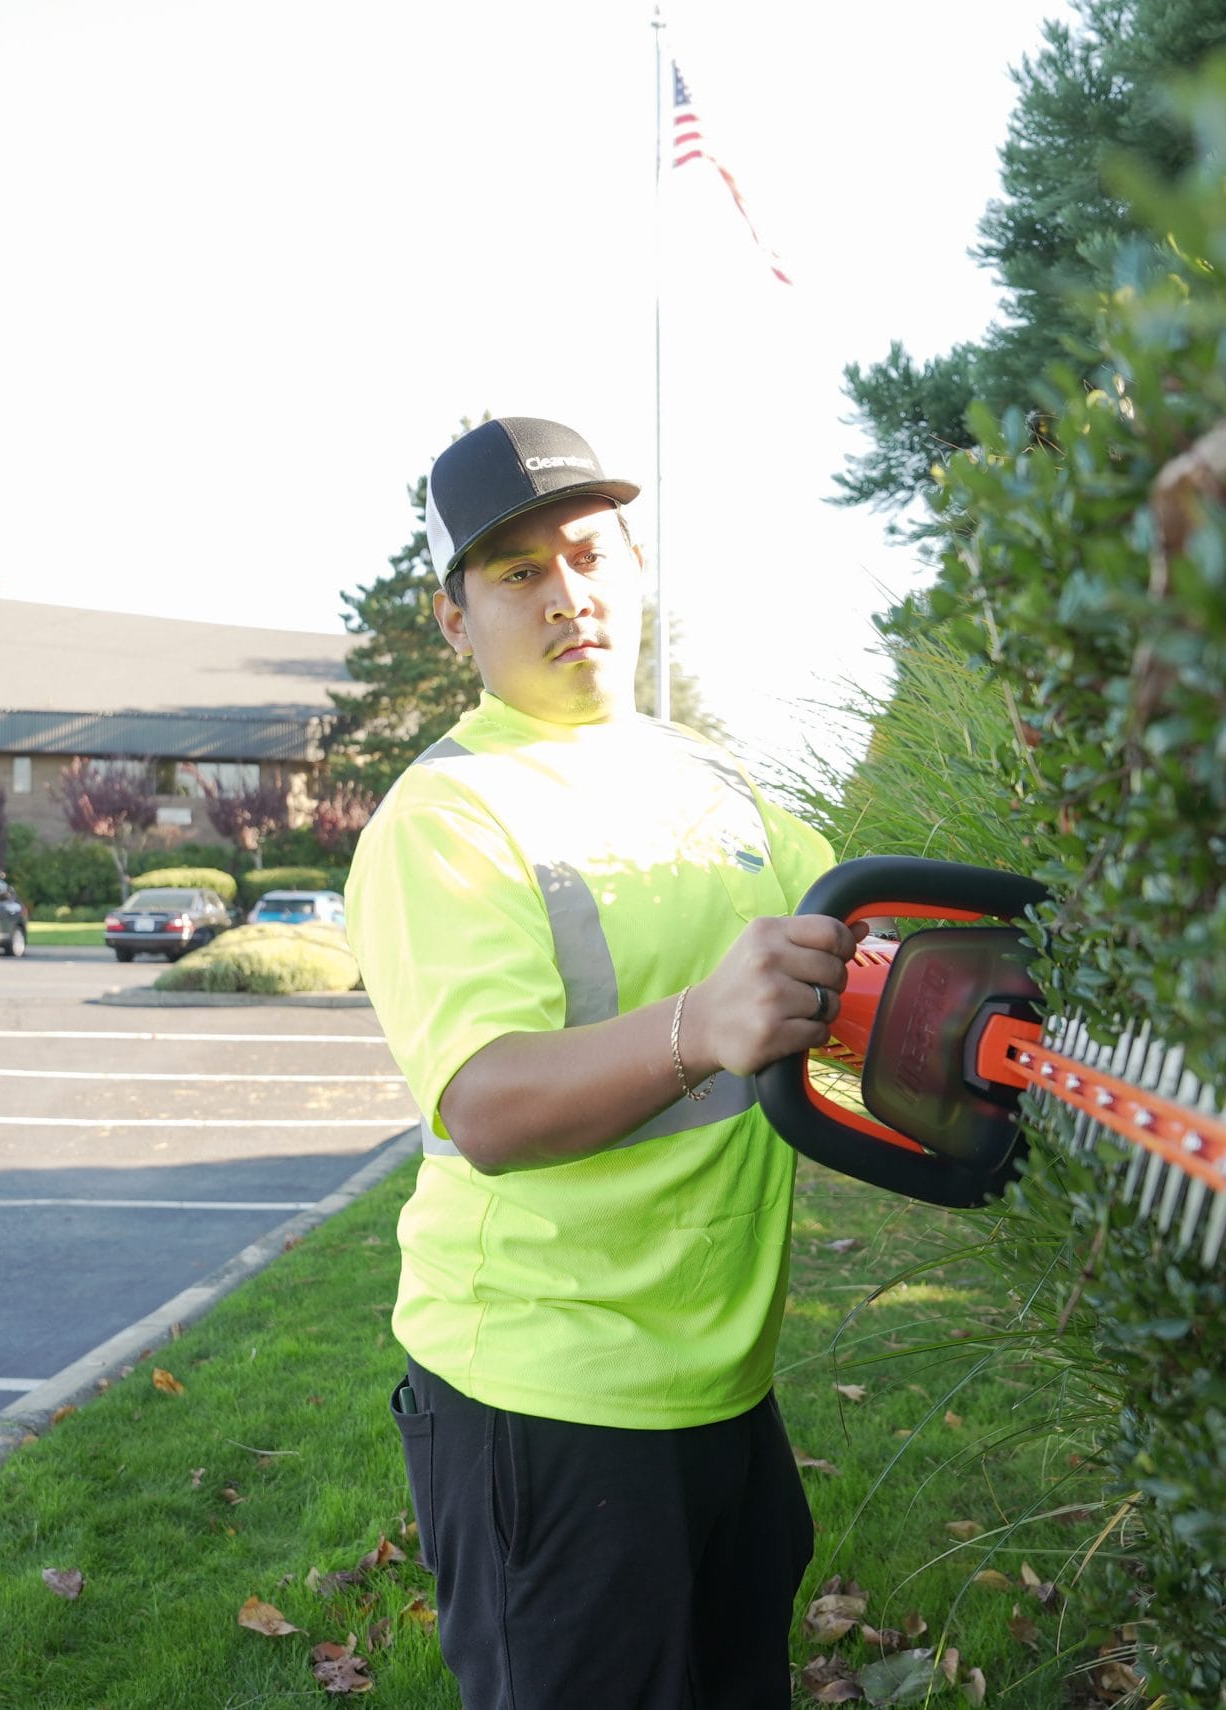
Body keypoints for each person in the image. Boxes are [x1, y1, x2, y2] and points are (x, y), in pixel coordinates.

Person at [346, 416, 855, 1708]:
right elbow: (487, 1101)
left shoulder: (717, 785)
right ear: (454, 619)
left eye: (588, 553)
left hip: (722, 1387)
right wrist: (701, 1025)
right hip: (545, 1403)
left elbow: (871, 940)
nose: (567, 593)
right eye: (518, 572)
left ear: (632, 567)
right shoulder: (449, 814)